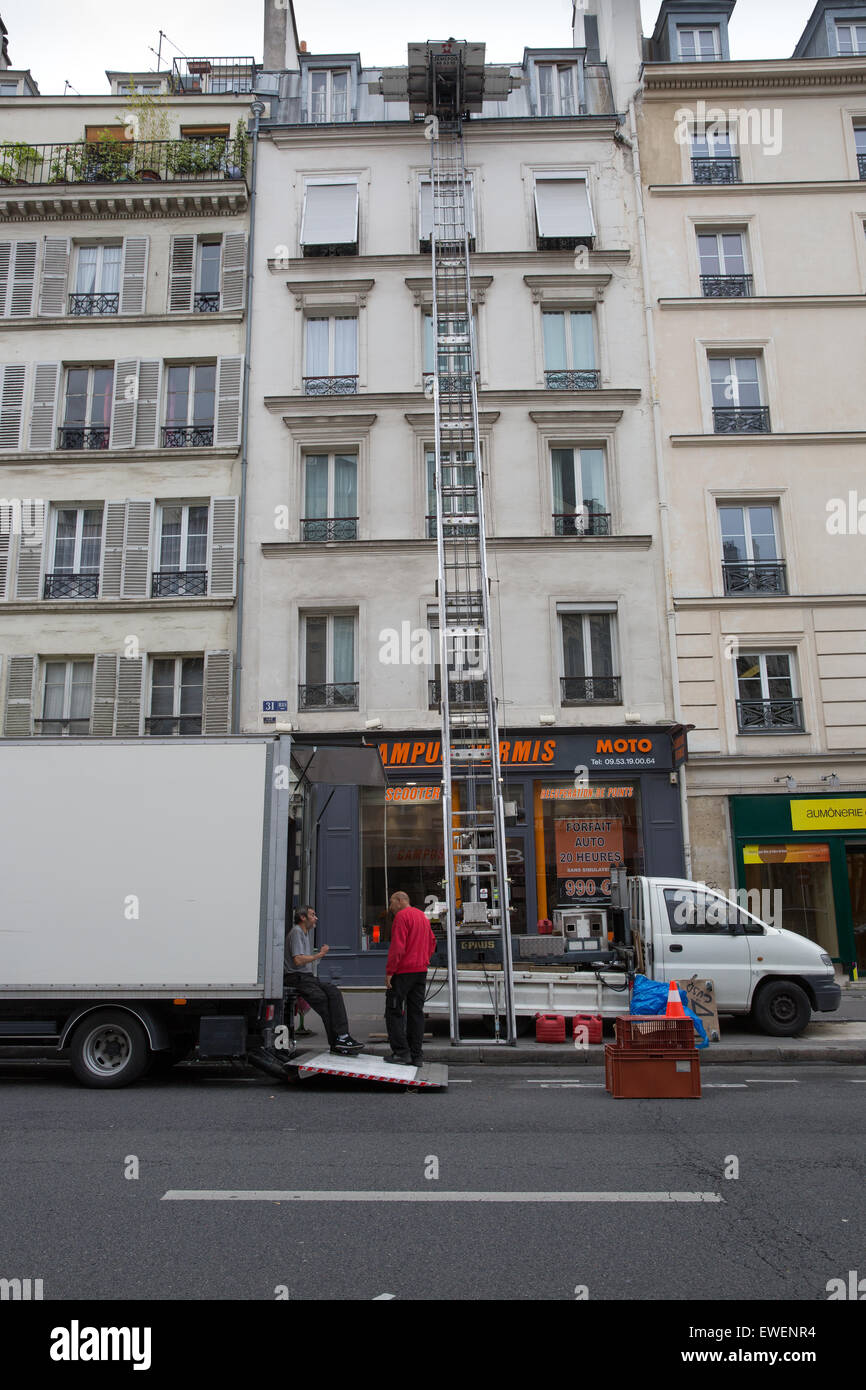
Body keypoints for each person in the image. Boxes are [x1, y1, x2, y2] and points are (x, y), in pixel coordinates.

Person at [284, 906, 362, 1056]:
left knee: (334, 992)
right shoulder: (297, 932)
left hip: (306, 977)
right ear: (303, 918)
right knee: (322, 1001)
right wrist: (319, 955)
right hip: (297, 977)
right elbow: (298, 960)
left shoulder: (304, 933)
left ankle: (343, 1037)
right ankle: (337, 1043)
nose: (316, 918)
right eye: (313, 915)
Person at [384, 891, 437, 1067]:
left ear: (400, 901)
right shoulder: (422, 916)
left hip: (403, 971)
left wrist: (390, 971)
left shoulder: (401, 917)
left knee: (393, 1011)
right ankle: (417, 1055)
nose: (390, 907)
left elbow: (397, 947)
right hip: (421, 970)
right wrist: (425, 959)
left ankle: (401, 1053)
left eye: (391, 903)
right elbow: (432, 941)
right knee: (416, 1013)